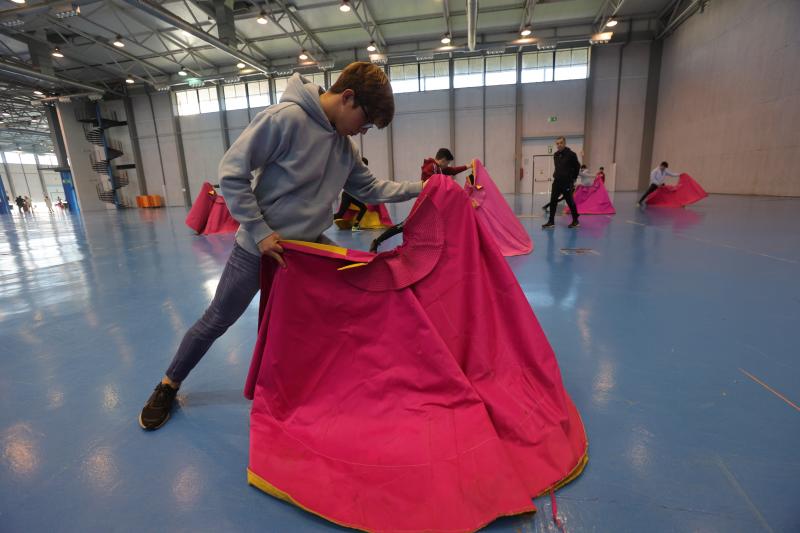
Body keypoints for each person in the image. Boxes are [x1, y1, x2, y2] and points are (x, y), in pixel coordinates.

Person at [139, 62, 424, 431]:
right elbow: (232, 171)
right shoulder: (285, 119)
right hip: (259, 249)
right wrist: (259, 231)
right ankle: (168, 384)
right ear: (348, 97)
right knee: (218, 319)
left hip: (307, 252)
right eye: (364, 122)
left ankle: (319, 386)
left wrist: (426, 186)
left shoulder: (343, 146)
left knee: (337, 311)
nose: (362, 132)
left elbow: (372, 190)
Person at [542, 136, 580, 229]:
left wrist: (573, 178)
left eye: (561, 143)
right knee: (553, 201)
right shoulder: (555, 155)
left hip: (567, 182)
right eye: (557, 143)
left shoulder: (571, 154)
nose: (559, 145)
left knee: (570, 201)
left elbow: (577, 166)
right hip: (557, 182)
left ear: (564, 143)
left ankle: (575, 220)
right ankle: (551, 221)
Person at [333, 157, 370, 231]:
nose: (366, 167)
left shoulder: (355, 171)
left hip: (349, 195)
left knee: (340, 214)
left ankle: (355, 226)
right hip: (348, 195)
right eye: (365, 165)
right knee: (340, 215)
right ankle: (355, 226)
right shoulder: (359, 173)